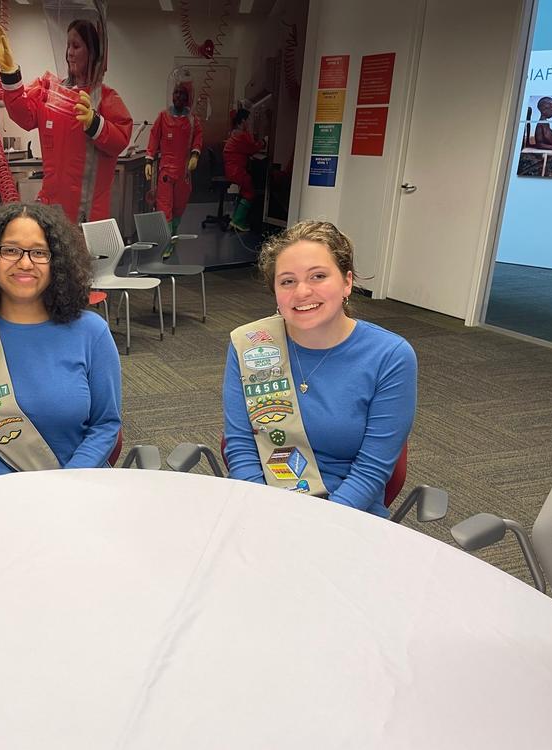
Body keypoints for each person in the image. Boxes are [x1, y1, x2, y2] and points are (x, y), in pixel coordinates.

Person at [221, 221, 416, 518]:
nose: (302, 292)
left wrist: (319, 524)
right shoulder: (249, 346)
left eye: (318, 276)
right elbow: (241, 449)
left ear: (347, 282)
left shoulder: (389, 356)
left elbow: (372, 470)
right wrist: (262, 514)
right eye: (287, 281)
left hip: (349, 512)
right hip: (262, 504)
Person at [0, 202, 121, 477]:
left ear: (56, 262)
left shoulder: (92, 332)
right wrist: (13, 491)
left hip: (78, 488)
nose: (25, 263)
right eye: (10, 250)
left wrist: (66, 484)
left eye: (39, 252)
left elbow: (106, 425)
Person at [0, 20, 132, 223]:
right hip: (52, 213)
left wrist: (95, 124)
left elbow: (120, 140)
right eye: (67, 46)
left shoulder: (105, 99)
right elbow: (24, 115)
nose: (69, 53)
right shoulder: (49, 92)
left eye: (76, 46)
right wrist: (10, 75)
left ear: (92, 52)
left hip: (88, 217)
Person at [145, 74, 203, 238]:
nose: (178, 96)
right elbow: (154, 137)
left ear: (188, 98)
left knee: (179, 205)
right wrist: (149, 160)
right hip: (165, 172)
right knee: (164, 205)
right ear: (172, 95)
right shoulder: (163, 117)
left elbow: (198, 137)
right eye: (176, 93)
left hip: (183, 172)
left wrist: (195, 155)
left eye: (182, 93)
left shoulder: (192, 121)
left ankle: (173, 232)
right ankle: (166, 240)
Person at [223, 108, 265, 232]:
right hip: (236, 171)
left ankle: (235, 219)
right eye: (248, 120)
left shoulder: (236, 133)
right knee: (250, 192)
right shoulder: (241, 135)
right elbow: (252, 148)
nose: (249, 123)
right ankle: (238, 222)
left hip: (232, 170)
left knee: (244, 191)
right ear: (243, 121)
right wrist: (264, 142)